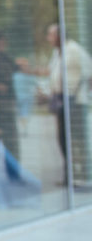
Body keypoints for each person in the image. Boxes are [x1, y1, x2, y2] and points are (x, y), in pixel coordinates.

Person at [46, 23, 92, 183]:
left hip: (74, 101)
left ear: (59, 36)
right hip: (60, 100)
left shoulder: (74, 49)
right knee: (63, 139)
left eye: (51, 35)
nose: (49, 38)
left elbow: (89, 72)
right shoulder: (57, 52)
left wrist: (78, 92)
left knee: (76, 139)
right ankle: (70, 175)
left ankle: (83, 175)